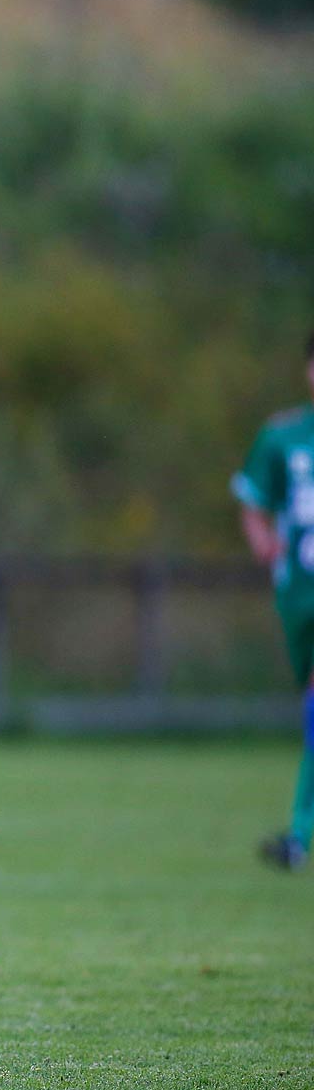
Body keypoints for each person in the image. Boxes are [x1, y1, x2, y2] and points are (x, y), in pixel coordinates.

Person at [234, 332, 314, 872]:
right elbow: (252, 501)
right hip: (300, 593)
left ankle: (300, 833)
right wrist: (261, 542)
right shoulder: (283, 436)